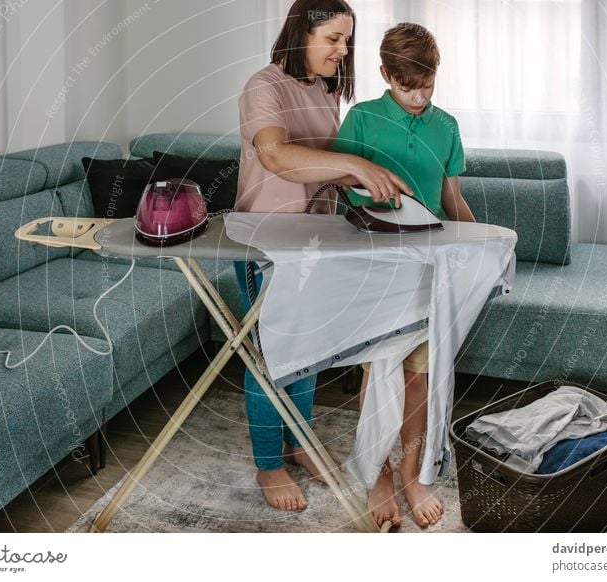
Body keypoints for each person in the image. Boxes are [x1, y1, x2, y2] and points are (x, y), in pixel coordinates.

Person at [234, 0, 413, 512]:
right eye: (333, 38)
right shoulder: (263, 86)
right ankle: (268, 465)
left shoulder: (325, 89)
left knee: (308, 349)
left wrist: (368, 181)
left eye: (347, 40)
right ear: (301, 33)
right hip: (266, 239)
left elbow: (318, 167)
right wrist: (353, 163)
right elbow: (275, 155)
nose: (343, 50)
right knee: (271, 354)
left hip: (315, 239)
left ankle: (297, 442)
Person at [330, 22, 476, 528]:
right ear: (384, 74)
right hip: (374, 267)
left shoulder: (447, 126)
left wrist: (482, 246)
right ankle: (379, 474)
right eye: (406, 85)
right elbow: (341, 189)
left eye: (427, 84)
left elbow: (451, 198)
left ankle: (412, 473)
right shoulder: (363, 119)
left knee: (420, 377)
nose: (418, 96)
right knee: (378, 378)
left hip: (428, 270)